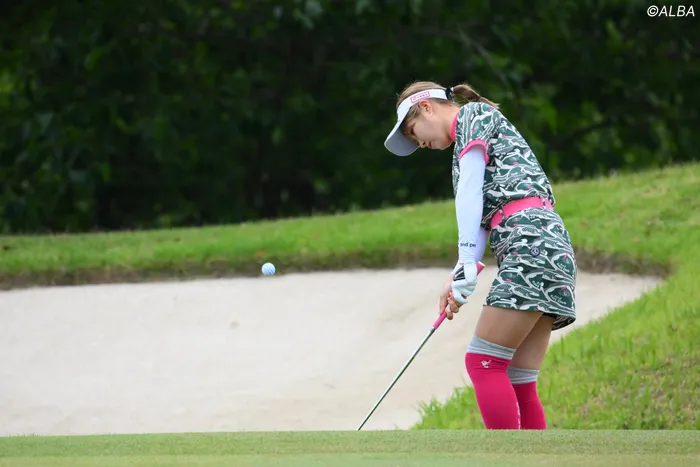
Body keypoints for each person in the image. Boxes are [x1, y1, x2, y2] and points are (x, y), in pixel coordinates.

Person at [383, 81, 578, 430]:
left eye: (413, 132)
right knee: (519, 378)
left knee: (482, 362)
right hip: (549, 246)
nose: (419, 144)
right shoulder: (463, 151)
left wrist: (465, 260)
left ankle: (503, 456)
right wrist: (459, 274)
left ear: (427, 107)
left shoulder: (473, 115)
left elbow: (471, 193)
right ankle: (532, 457)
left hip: (529, 242)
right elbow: (482, 223)